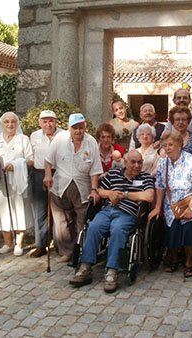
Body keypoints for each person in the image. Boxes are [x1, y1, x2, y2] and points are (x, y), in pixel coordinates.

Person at [70, 150, 155, 293]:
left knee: (117, 229)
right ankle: (85, 266)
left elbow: (149, 196)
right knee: (94, 226)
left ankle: (112, 270)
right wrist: (110, 193)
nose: (137, 165)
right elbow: (99, 190)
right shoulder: (114, 174)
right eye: (133, 162)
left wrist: (126, 195)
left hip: (127, 213)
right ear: (125, 163)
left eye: (140, 162)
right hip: (108, 210)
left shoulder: (145, 177)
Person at [44, 113, 102, 263]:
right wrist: (48, 175)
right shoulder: (59, 139)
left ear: (85, 127)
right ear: (69, 128)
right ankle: (67, 251)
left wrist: (94, 190)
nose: (78, 131)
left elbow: (95, 170)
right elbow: (48, 161)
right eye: (75, 128)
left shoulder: (91, 142)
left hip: (82, 187)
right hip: (60, 185)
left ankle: (82, 250)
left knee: (82, 221)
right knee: (62, 221)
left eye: (81, 127)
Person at [149, 130, 192, 278]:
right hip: (169, 203)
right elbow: (159, 186)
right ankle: (172, 258)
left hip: (188, 201)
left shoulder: (191, 161)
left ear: (180, 144)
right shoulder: (162, 162)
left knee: (187, 231)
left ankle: (189, 261)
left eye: (171, 144)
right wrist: (158, 207)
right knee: (171, 230)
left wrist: (191, 208)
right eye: (165, 145)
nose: (167, 148)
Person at [0, 112, 34, 256]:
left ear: (17, 123)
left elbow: (31, 160)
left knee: (19, 209)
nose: (10, 125)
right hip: (0, 182)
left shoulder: (23, 139)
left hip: (18, 181)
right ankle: (7, 243)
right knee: (2, 210)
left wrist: (16, 164)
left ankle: (19, 243)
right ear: (2, 124)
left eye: (13, 122)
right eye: (6, 122)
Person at [29, 110, 63, 258]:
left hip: (59, 173)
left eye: (51, 121)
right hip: (39, 174)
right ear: (39, 123)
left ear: (56, 122)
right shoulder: (34, 136)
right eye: (45, 121)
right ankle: (41, 244)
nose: (48, 124)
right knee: (41, 210)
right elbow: (30, 156)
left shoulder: (63, 135)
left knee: (59, 210)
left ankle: (59, 243)